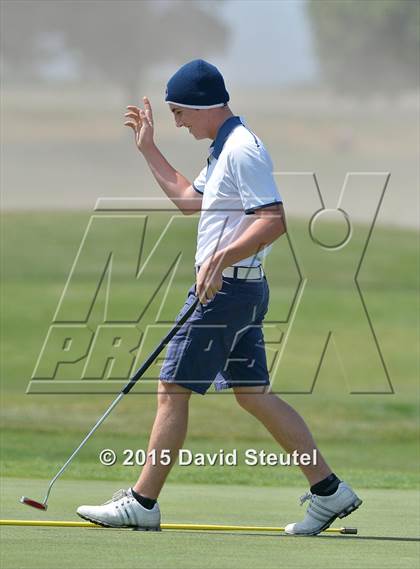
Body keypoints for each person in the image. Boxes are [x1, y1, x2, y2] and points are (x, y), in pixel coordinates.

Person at [77, 59, 362, 535]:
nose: (177, 123)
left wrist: (219, 259)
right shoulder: (224, 146)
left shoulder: (243, 151)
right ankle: (329, 491)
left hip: (226, 292)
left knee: (172, 390)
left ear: (198, 105)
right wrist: (149, 149)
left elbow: (273, 219)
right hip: (240, 290)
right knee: (254, 395)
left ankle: (143, 502)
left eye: (178, 113)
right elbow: (191, 201)